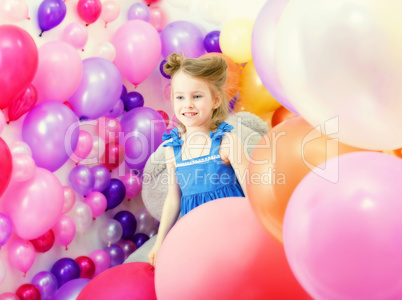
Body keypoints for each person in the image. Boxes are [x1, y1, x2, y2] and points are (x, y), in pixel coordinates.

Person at [147, 53, 249, 267]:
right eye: (180, 97)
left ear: (216, 100)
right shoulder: (172, 148)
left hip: (233, 228)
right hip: (196, 233)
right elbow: (173, 199)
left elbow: (252, 191)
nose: (188, 104)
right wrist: (159, 241)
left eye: (197, 96)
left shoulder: (226, 142)